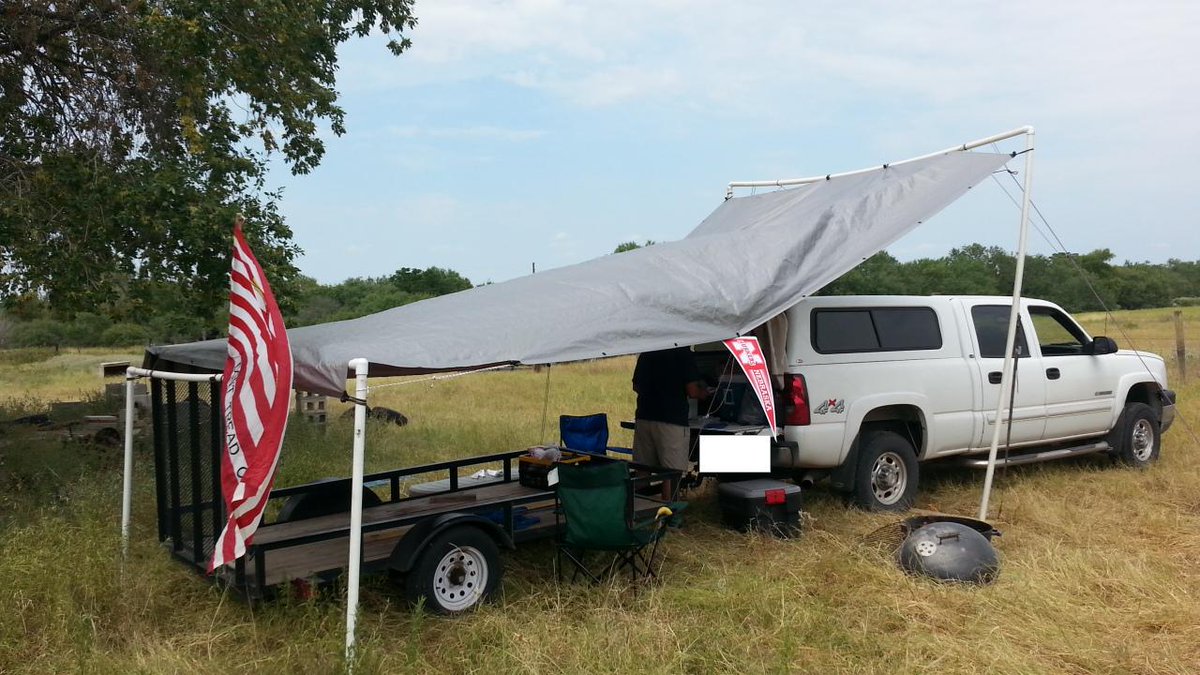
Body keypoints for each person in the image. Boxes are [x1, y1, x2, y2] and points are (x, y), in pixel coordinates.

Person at [631, 347, 708, 498]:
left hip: (644, 417)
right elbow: (692, 391)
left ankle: (640, 507)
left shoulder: (648, 352)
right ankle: (670, 510)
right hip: (672, 422)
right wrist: (704, 393)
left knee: (642, 469)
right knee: (671, 473)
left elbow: (636, 386)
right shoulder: (683, 353)